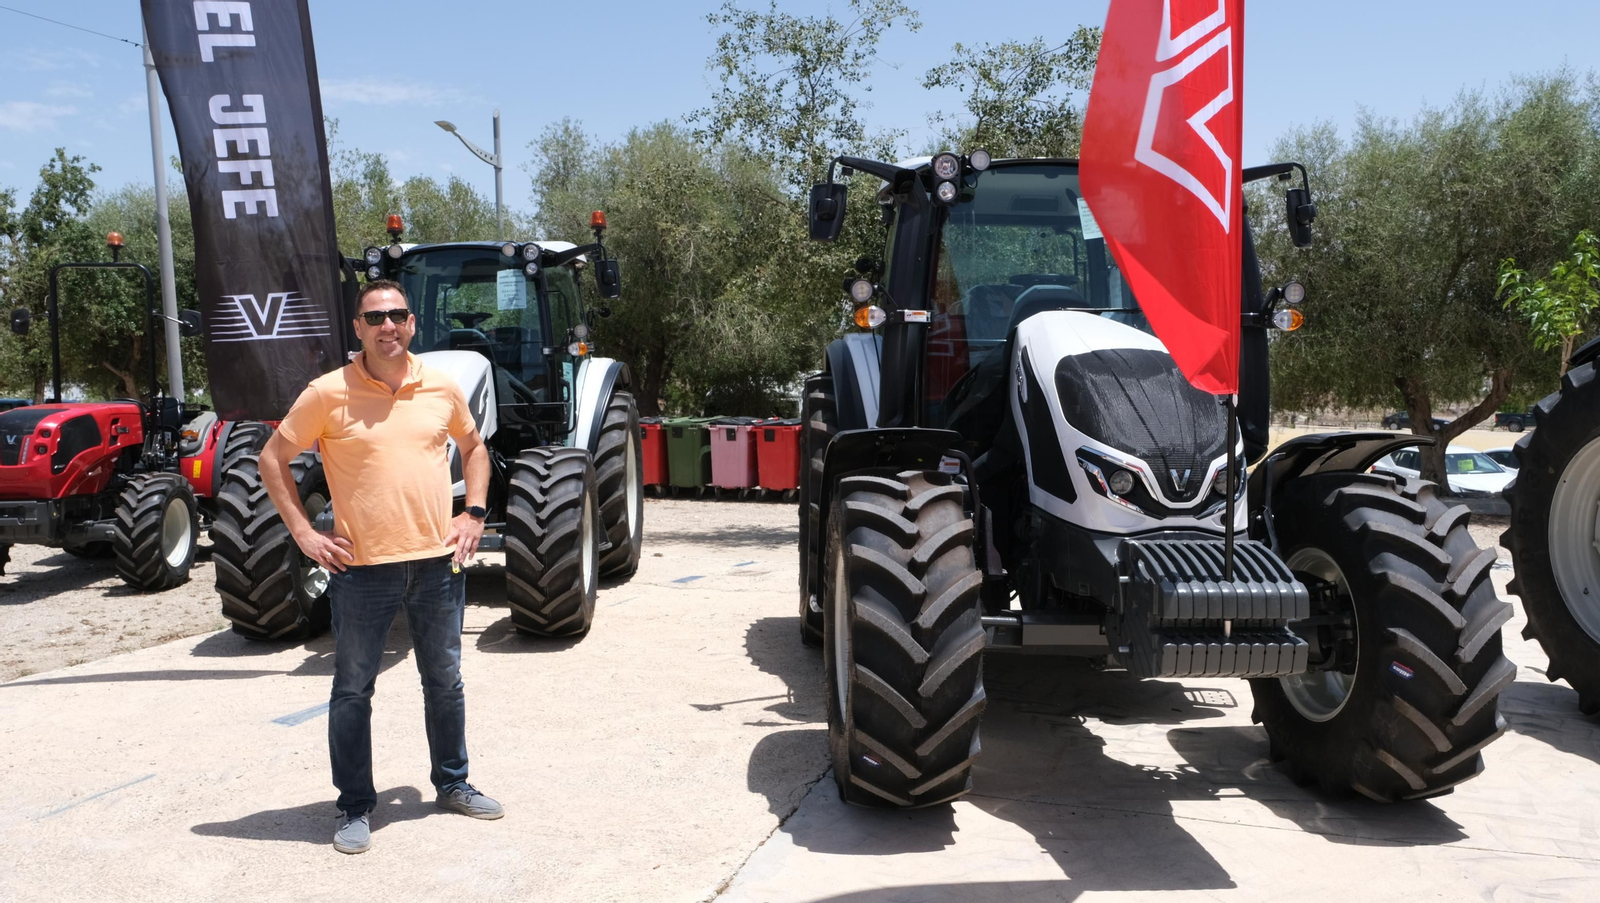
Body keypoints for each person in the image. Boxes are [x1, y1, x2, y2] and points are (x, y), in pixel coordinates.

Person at [259, 279, 499, 855]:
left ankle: (453, 783)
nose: (387, 326)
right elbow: (273, 459)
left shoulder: (440, 387)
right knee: (352, 690)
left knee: (445, 681)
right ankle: (354, 807)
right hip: (362, 571)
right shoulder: (326, 392)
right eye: (375, 318)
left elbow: (475, 448)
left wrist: (474, 514)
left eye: (397, 316)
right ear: (358, 329)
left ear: (412, 323)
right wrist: (303, 533)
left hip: (437, 563)